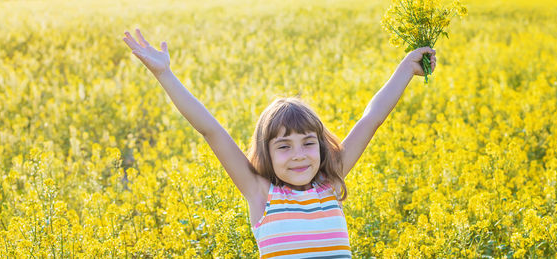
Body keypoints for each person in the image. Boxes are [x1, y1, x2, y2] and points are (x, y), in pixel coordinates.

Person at [122, 28, 436, 258]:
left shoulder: (330, 182)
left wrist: (406, 69)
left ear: (321, 147)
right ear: (267, 154)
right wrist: (165, 74)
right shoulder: (260, 194)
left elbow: (371, 119)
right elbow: (211, 131)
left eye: (308, 143)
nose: (299, 156)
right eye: (284, 146)